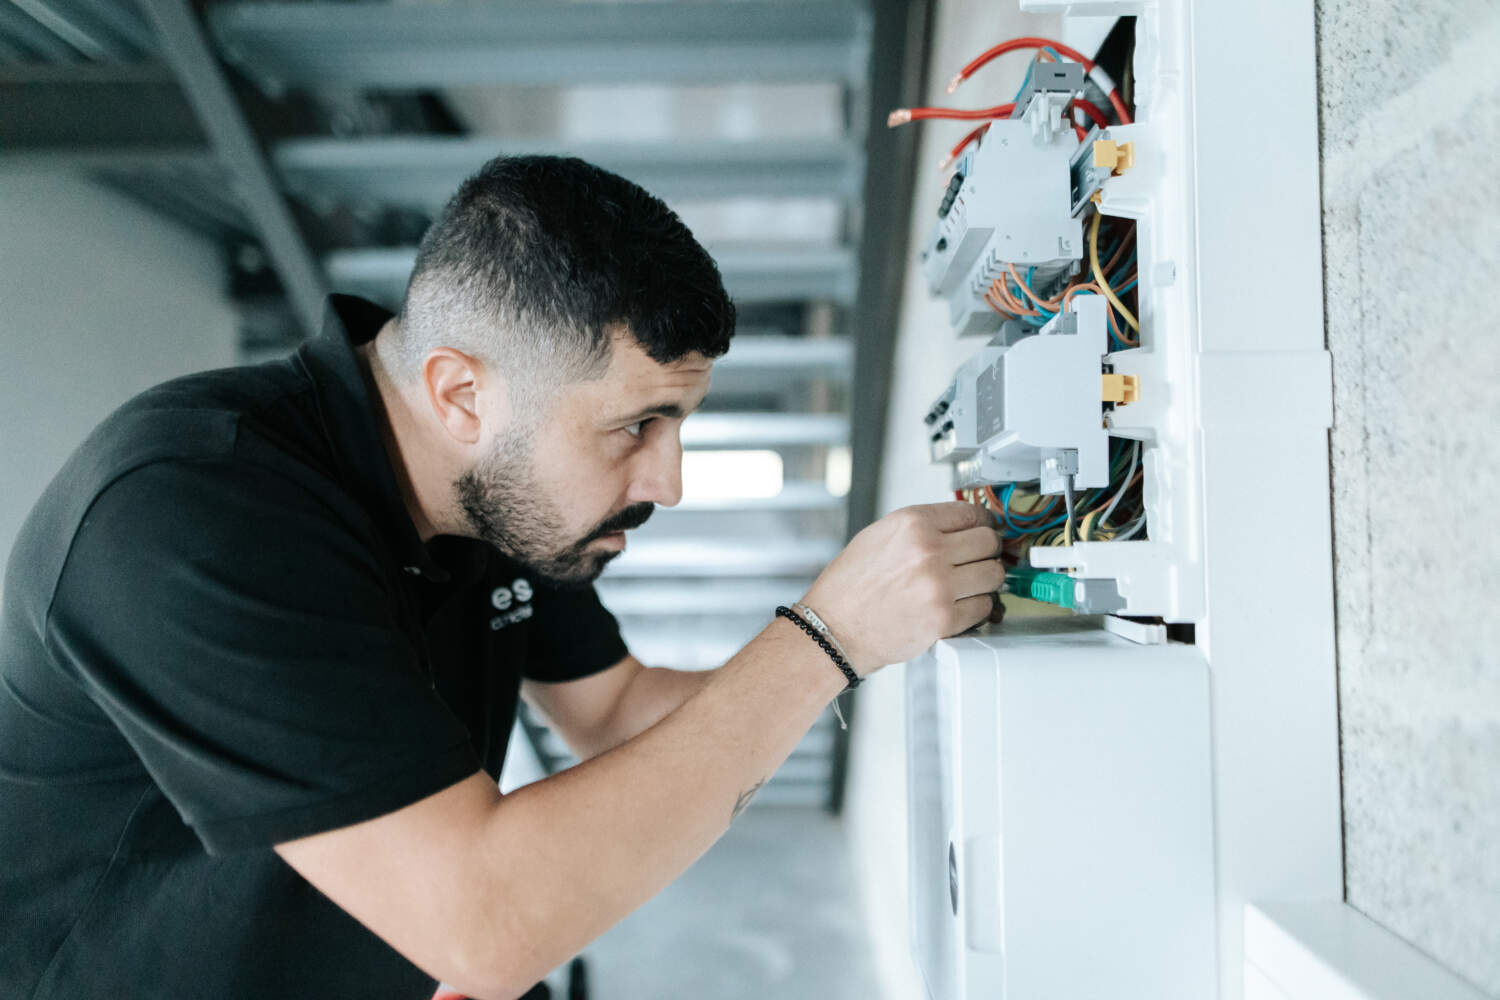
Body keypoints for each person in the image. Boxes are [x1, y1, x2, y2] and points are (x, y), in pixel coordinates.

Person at [0, 155, 1005, 999]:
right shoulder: (190, 512)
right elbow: (486, 918)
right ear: (462, 393)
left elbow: (613, 710)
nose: (669, 480)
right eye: (636, 425)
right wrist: (824, 636)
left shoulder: (501, 499)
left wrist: (870, 640)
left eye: (679, 423)